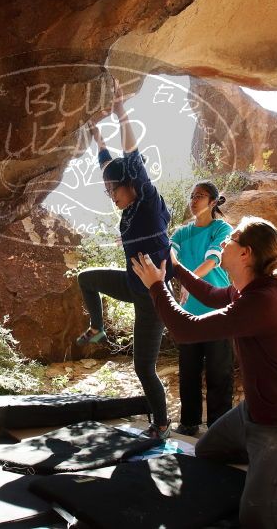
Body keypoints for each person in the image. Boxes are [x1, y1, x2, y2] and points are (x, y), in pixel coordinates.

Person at [131, 216, 277, 527]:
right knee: (206, 452)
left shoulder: (267, 300)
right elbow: (209, 295)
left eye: (230, 240)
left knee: (259, 518)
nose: (223, 243)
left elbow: (184, 328)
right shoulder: (251, 291)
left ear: (246, 253)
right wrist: (176, 268)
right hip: (254, 414)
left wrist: (156, 286)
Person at [75, 77, 174, 439]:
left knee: (143, 367)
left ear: (131, 184)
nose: (109, 195)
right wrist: (96, 138)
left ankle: (161, 424)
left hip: (152, 297)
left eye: (112, 189)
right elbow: (109, 165)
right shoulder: (128, 209)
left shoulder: (146, 200)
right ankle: (97, 327)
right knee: (86, 278)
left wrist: (120, 111)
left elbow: (129, 157)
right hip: (132, 283)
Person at [170, 181, 233, 436]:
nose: (194, 200)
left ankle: (220, 427)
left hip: (219, 310)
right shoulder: (181, 233)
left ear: (214, 202)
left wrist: (189, 282)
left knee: (220, 371)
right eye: (192, 195)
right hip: (189, 313)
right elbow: (170, 259)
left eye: (201, 196)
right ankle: (189, 422)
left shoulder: (222, 228)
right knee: (189, 370)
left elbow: (212, 260)